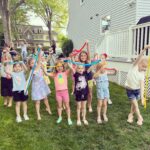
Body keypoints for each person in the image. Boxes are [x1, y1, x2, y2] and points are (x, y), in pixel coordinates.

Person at [125, 45, 150, 126]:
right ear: (139, 63)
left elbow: (142, 86)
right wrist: (144, 49)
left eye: (146, 68)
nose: (144, 69)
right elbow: (140, 57)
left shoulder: (142, 74)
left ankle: (130, 115)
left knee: (133, 104)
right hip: (129, 90)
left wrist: (142, 97)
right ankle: (140, 117)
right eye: (143, 66)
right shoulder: (134, 66)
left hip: (137, 90)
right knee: (135, 104)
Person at [42, 60, 73, 125]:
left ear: (63, 67)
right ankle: (60, 117)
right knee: (59, 106)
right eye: (58, 66)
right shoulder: (54, 74)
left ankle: (69, 118)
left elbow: (71, 69)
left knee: (67, 106)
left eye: (61, 66)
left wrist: (70, 65)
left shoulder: (65, 73)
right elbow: (46, 74)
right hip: (58, 93)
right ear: (55, 67)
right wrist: (43, 68)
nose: (59, 68)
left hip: (65, 92)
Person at [28, 50, 51, 120]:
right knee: (37, 101)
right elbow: (38, 65)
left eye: (34, 62)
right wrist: (39, 55)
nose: (34, 64)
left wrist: (40, 58)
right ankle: (38, 114)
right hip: (36, 87)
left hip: (42, 85)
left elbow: (40, 65)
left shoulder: (40, 68)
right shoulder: (32, 71)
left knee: (45, 98)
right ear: (29, 65)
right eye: (32, 63)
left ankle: (48, 108)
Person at [78, 44, 94, 112]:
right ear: (80, 57)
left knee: (90, 93)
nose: (83, 57)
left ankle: (89, 105)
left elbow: (89, 52)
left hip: (90, 80)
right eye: (82, 55)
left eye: (84, 55)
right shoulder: (79, 63)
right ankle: (82, 106)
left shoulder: (89, 61)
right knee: (83, 93)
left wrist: (87, 45)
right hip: (82, 81)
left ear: (87, 56)